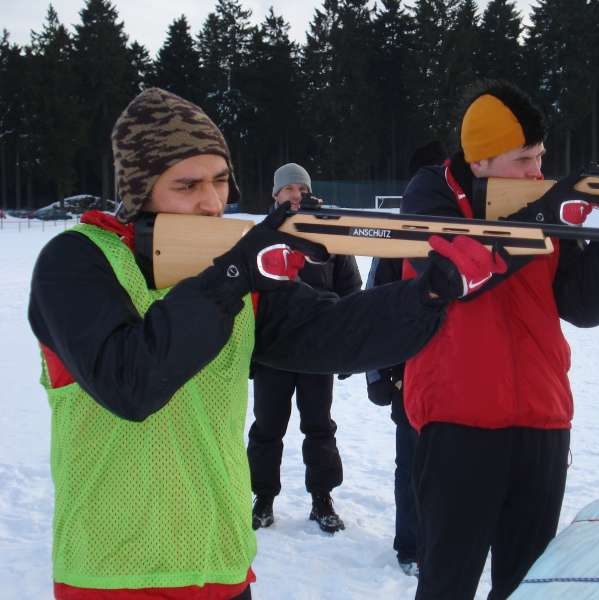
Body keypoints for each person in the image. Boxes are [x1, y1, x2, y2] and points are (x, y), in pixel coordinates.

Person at [28, 87, 508, 599]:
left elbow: (339, 331)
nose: (211, 202)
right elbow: (131, 382)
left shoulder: (228, 278)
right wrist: (234, 273)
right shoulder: (75, 262)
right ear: (140, 189)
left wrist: (430, 293)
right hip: (111, 577)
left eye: (218, 181)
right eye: (187, 185)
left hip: (223, 567)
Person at [399, 79, 599, 600]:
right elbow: (457, 274)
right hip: (459, 424)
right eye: (524, 160)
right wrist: (548, 213)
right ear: (479, 162)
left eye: (542, 157)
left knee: (528, 586)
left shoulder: (544, 201)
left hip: (543, 422)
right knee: (446, 582)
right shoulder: (431, 194)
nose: (538, 172)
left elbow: (583, 307)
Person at [249, 162, 362, 534]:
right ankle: (263, 498)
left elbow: (350, 291)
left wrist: (346, 345)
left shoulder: (328, 233)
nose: (295, 195)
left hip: (318, 352)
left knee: (319, 428)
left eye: (301, 189)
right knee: (268, 428)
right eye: (288, 190)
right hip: (273, 353)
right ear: (275, 195)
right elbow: (241, 297)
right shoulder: (260, 235)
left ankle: (322, 499)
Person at [365, 139, 448, 576]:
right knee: (412, 464)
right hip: (408, 375)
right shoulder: (394, 242)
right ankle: (411, 546)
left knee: (453, 463)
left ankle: (450, 537)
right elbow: (371, 308)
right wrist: (379, 375)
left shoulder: (464, 234)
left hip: (457, 376)